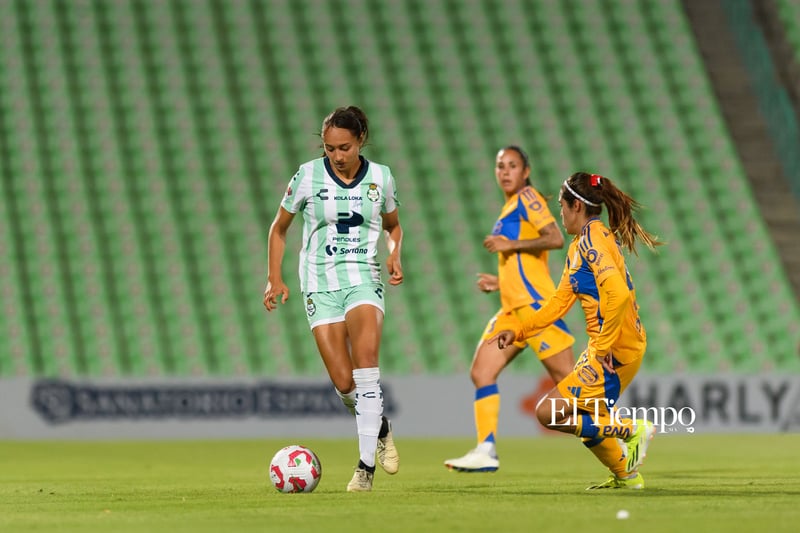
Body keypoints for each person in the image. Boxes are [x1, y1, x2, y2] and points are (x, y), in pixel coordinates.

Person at [489, 171, 662, 489]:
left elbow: (618, 294)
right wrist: (521, 331)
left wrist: (603, 346)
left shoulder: (593, 240)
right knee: (586, 420)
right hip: (618, 346)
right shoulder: (582, 244)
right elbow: (558, 303)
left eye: (561, 205)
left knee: (549, 413)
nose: (560, 212)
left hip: (614, 350)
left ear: (577, 207)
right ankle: (626, 475)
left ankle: (631, 430)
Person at [263, 106, 403, 492]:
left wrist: (394, 252)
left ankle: (364, 468)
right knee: (344, 383)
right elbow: (279, 228)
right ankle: (381, 427)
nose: (337, 156)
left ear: (360, 141)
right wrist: (274, 279)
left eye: (344, 147)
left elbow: (393, 226)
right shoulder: (307, 175)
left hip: (363, 278)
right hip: (319, 283)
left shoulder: (381, 178)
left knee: (366, 365)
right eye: (329, 149)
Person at [444, 146, 576, 473]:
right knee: (482, 372)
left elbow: (555, 237)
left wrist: (509, 245)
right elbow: (523, 268)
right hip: (511, 308)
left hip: (535, 308)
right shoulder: (510, 207)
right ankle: (485, 449)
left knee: (573, 387)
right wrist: (500, 282)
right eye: (500, 165)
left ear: (526, 171)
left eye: (512, 166)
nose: (505, 171)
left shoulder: (529, 198)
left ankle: (624, 434)